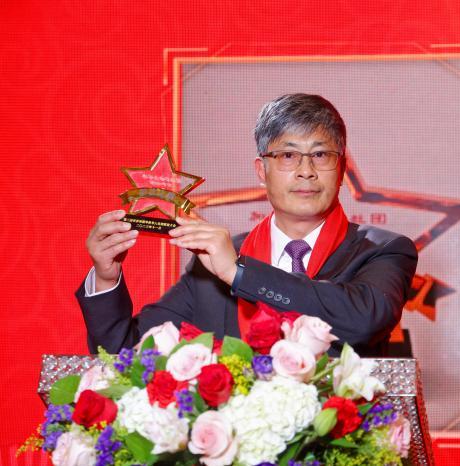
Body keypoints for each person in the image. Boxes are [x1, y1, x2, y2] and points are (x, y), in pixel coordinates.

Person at [77, 94, 418, 357]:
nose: (306, 171)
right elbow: (126, 355)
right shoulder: (216, 262)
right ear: (261, 171)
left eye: (320, 155)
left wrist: (239, 273)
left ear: (341, 169)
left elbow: (363, 320)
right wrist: (106, 278)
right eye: (287, 156)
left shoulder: (384, 251)